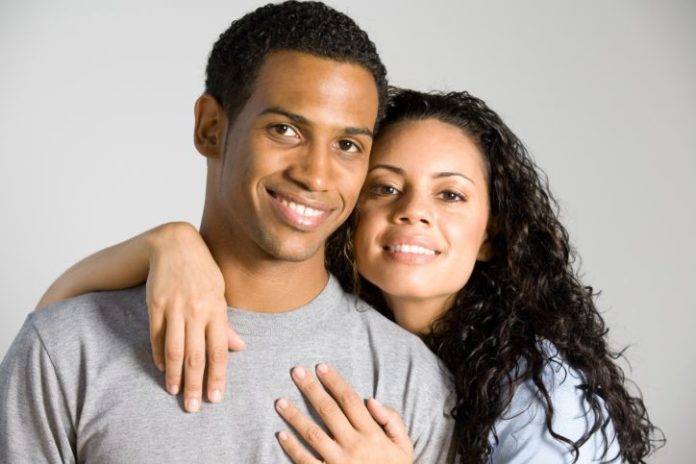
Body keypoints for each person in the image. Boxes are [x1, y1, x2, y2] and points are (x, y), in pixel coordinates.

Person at [37, 87, 664, 463]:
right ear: (347, 213)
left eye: (450, 196)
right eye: (386, 187)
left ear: (494, 236)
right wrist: (164, 244)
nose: (412, 211)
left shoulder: (538, 394)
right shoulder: (375, 341)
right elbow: (52, 325)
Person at [0, 3, 456, 463]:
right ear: (211, 128)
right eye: (285, 129)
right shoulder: (66, 348)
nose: (317, 176)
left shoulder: (411, 381)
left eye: (347, 145)